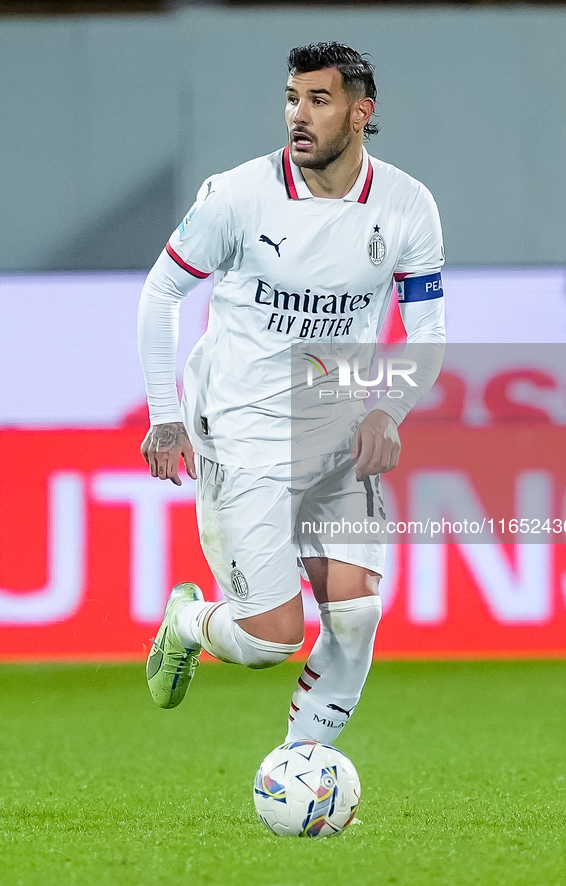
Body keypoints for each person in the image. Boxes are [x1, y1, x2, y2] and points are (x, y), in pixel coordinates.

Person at [138, 42, 445, 745]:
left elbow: (427, 324)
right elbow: (160, 294)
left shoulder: (405, 205)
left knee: (357, 614)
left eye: (318, 100)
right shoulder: (237, 196)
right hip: (242, 427)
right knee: (272, 639)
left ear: (360, 112)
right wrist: (164, 416)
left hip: (336, 427)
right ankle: (188, 622)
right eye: (290, 99)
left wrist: (387, 408)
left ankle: (300, 764)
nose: (296, 116)